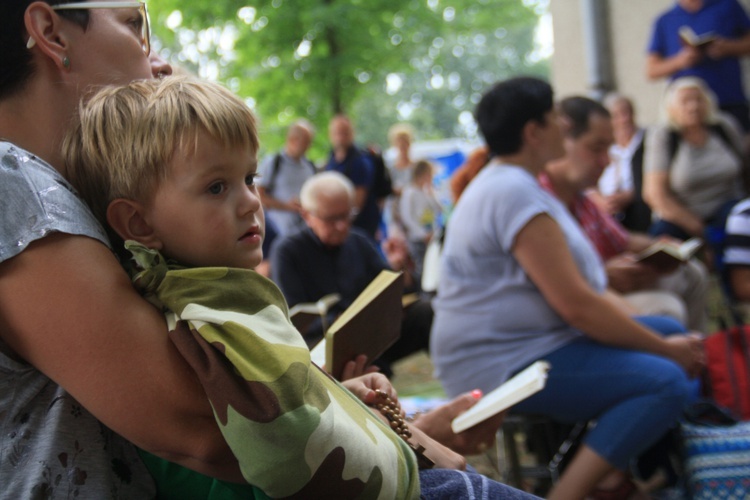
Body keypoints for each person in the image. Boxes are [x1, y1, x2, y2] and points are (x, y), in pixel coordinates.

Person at [0, 2, 525, 498]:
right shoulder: (12, 182)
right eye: (135, 23)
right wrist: (406, 440)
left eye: (248, 179)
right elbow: (204, 425)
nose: (155, 58)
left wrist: (369, 412)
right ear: (49, 32)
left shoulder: (66, 193)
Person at [430, 76, 704, 499]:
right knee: (666, 377)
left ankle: (625, 471)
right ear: (533, 131)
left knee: (669, 334)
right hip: (503, 362)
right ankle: (573, 493)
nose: (564, 125)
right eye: (556, 117)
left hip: (529, 345)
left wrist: (663, 343)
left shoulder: (516, 185)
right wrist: (665, 352)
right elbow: (577, 305)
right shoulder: (512, 193)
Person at [543, 95, 709, 331]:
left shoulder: (581, 198)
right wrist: (602, 277)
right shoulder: (538, 200)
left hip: (605, 289)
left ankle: (697, 358)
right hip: (574, 311)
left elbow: (623, 239)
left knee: (691, 273)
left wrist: (661, 248)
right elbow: (557, 286)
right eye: (596, 148)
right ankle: (680, 356)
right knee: (666, 311)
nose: (606, 162)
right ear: (561, 140)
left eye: (609, 149)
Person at [271, 171, 432, 376]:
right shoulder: (287, 251)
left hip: (370, 334)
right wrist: (338, 322)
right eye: (331, 219)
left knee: (424, 311)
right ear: (306, 215)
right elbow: (297, 317)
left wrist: (401, 269)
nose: (342, 225)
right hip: (326, 344)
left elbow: (395, 290)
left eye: (347, 215)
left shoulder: (358, 240)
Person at [643, 76, 745, 253]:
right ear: (671, 108)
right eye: (685, 101)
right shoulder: (663, 136)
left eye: (698, 99)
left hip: (728, 206)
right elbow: (655, 194)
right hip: (682, 214)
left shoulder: (724, 127)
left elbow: (745, 167)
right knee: (660, 246)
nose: (693, 106)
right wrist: (700, 230)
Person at [646, 0, 750, 132]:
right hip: (686, 114)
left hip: (728, 102)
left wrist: (729, 47)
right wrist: (680, 61)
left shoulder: (727, 6)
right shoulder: (665, 19)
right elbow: (651, 70)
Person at [588, 93, 652, 232]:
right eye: (616, 115)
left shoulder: (648, 140)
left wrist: (629, 196)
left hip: (640, 209)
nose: (624, 119)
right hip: (608, 210)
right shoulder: (604, 147)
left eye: (627, 112)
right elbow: (586, 181)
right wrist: (601, 200)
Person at [325, 114, 382, 241]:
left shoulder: (360, 161)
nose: (341, 136)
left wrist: (342, 223)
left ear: (352, 134)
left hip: (359, 227)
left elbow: (358, 200)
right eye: (338, 132)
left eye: (345, 132)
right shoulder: (331, 160)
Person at [257, 119, 317, 238]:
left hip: (304, 231)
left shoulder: (309, 166)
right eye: (306, 142)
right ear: (293, 139)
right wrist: (287, 206)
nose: (308, 147)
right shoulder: (273, 162)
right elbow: (259, 195)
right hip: (277, 231)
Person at [399, 159, 442, 277]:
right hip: (417, 238)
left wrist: (431, 193)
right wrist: (422, 234)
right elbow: (407, 217)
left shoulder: (426, 192)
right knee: (421, 269)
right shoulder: (409, 192)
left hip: (430, 234)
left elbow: (439, 209)